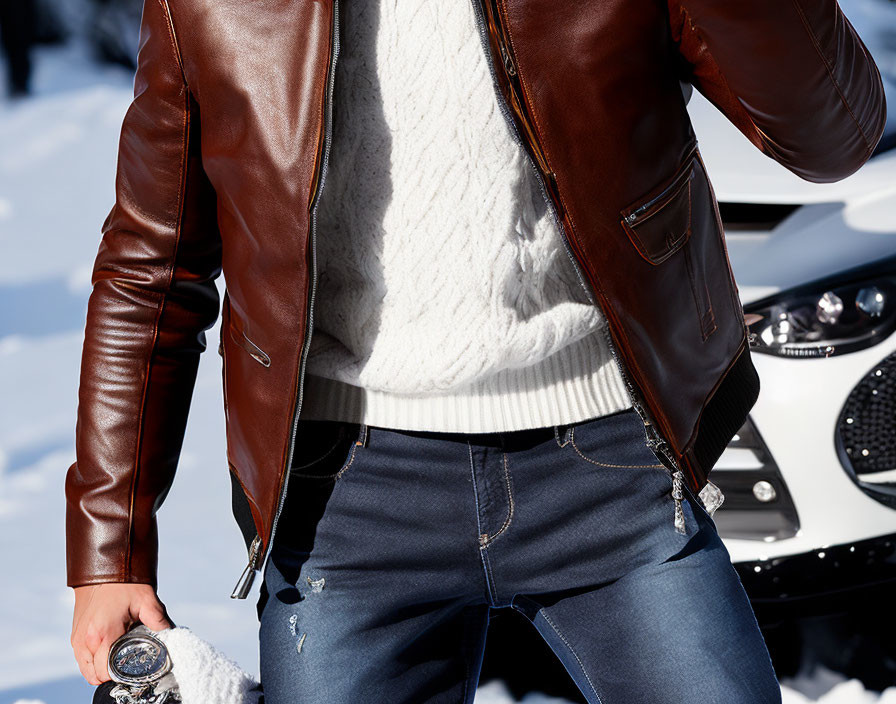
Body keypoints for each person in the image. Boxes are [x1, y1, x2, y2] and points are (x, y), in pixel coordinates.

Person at [66, 0, 887, 702]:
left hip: (609, 469)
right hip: (347, 507)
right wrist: (111, 551)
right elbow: (154, 264)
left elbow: (832, 137)